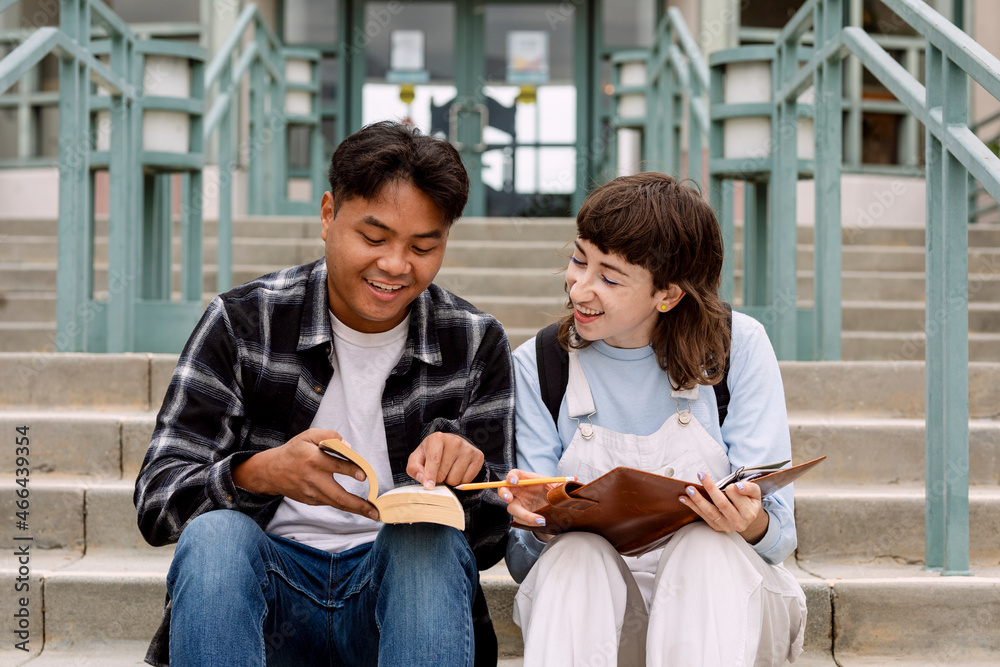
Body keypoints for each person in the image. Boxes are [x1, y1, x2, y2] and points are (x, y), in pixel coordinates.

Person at [134, 121, 515, 667]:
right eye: (374, 238)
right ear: (328, 215)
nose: (395, 266)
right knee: (216, 539)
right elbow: (157, 500)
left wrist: (468, 486)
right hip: (266, 606)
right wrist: (258, 474)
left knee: (425, 543)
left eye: (423, 247)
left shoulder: (474, 341)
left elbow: (488, 544)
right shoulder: (244, 322)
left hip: (395, 608)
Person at [501, 172, 807, 666]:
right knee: (576, 556)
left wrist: (748, 522)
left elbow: (778, 539)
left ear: (667, 295)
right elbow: (523, 563)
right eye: (580, 259)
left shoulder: (739, 346)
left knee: (703, 546)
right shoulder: (538, 363)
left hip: (727, 609)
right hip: (600, 617)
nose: (580, 288)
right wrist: (538, 525)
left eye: (610, 277)